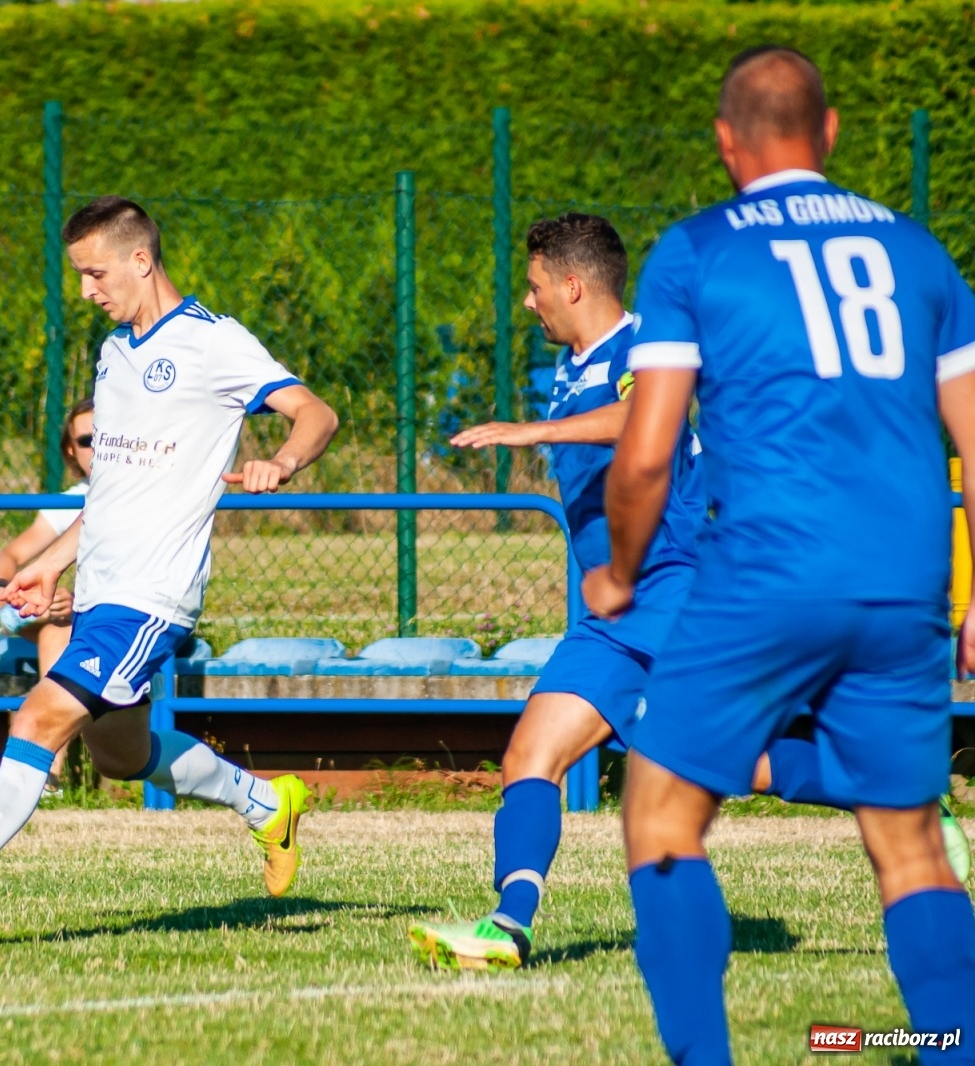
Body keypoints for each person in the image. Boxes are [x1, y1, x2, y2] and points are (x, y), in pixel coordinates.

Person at [409, 214, 971, 972]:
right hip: (613, 614)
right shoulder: (576, 367)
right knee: (528, 757)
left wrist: (530, 434)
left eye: (536, 287)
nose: (528, 302)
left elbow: (652, 421)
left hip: (679, 590)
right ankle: (510, 927)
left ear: (572, 285)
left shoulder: (646, 347)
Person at [585, 46, 975, 1064]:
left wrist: (621, 571)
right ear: (831, 131)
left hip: (762, 572)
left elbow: (645, 453)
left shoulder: (696, 251)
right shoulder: (920, 254)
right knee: (910, 844)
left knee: (661, 815)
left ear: (725, 144)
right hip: (904, 583)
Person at [0, 196, 340, 949]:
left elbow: (316, 412)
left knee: (36, 721)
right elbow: (112, 492)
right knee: (120, 755)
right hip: (102, 589)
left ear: (140, 260)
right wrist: (54, 566)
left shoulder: (213, 343)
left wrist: (281, 460)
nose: (87, 291)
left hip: (151, 598)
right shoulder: (115, 353)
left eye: (94, 274)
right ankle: (265, 803)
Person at [0, 396, 95, 677]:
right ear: (70, 450)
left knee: (53, 631)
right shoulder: (72, 501)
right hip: (88, 621)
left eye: (106, 438)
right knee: (5, 591)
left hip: (137, 611)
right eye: (86, 441)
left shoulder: (143, 492)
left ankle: (48, 717)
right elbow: (9, 555)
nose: (98, 448)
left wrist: (76, 603)